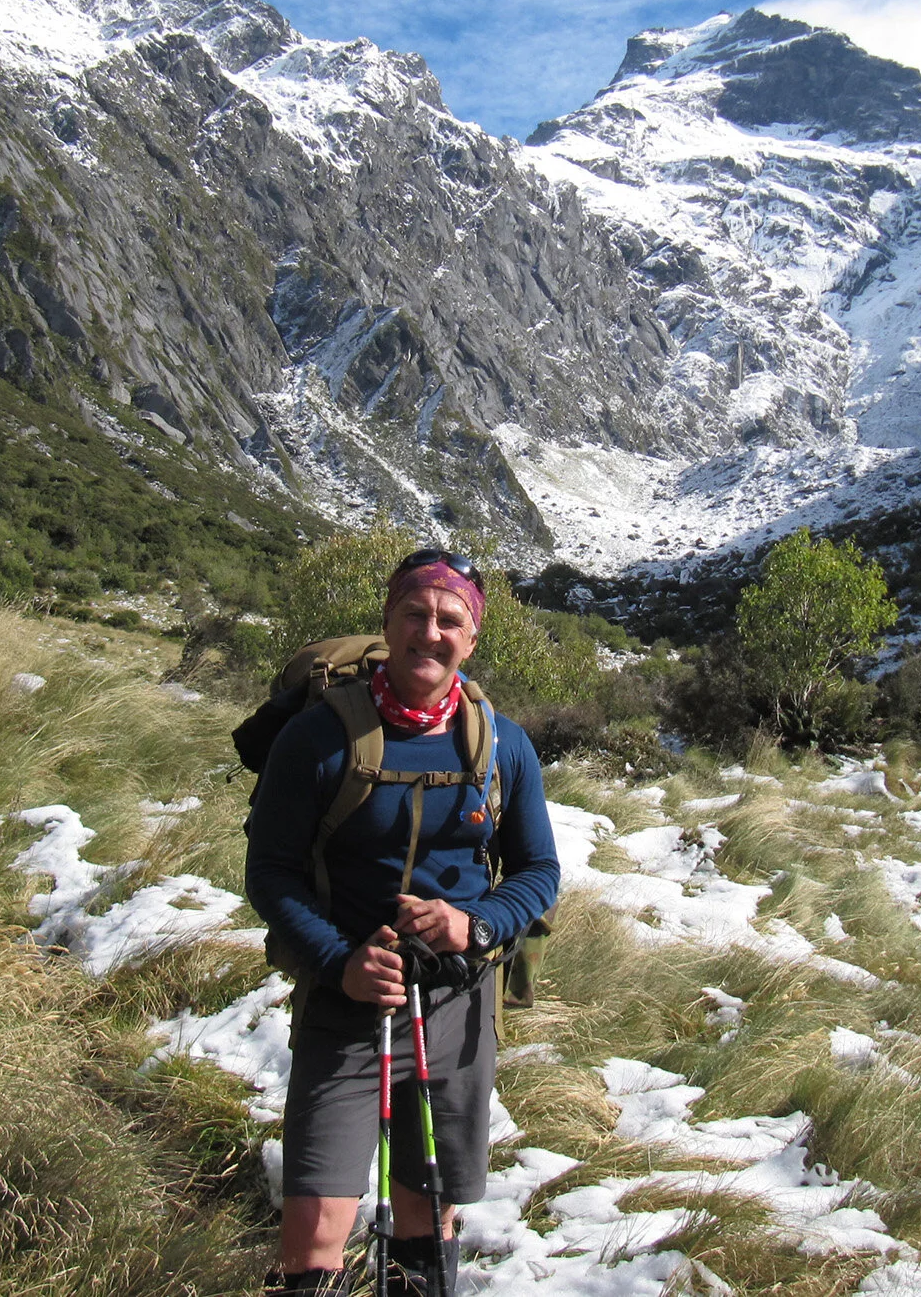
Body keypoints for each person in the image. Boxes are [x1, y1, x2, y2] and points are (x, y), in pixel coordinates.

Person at [246, 548, 561, 1295]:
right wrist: (338, 963)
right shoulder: (319, 740)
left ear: (472, 638)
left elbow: (539, 873)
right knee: (316, 1220)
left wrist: (475, 926)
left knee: (430, 1204)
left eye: (451, 619)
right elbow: (271, 873)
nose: (431, 632)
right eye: (415, 615)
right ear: (388, 623)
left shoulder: (501, 744)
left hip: (456, 997)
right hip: (345, 996)